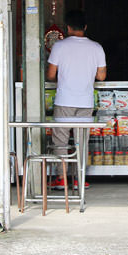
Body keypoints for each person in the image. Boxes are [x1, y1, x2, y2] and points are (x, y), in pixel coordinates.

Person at [46, 9, 107, 155]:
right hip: (85, 102)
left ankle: (62, 170)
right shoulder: (96, 47)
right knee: (81, 142)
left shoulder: (59, 46)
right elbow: (101, 76)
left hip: (64, 101)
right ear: (85, 27)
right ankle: (80, 170)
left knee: (60, 142)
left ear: (68, 27)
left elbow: (50, 75)